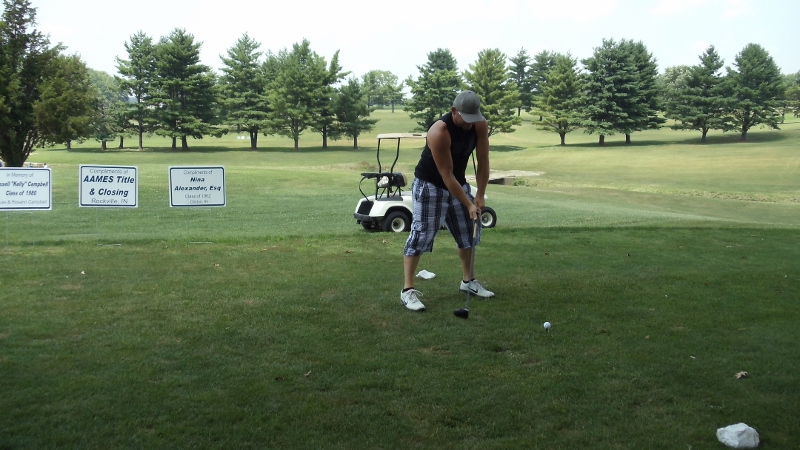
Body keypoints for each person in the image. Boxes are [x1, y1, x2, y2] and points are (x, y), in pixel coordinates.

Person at [400, 90, 494, 312]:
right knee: (421, 235)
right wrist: (469, 204)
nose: (469, 124)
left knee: (468, 232)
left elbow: (483, 161)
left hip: (458, 183)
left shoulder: (479, 124)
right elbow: (446, 174)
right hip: (430, 185)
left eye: (473, 119)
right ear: (454, 111)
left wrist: (480, 195)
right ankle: (407, 290)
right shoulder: (439, 131)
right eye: (466, 119)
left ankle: (468, 281)